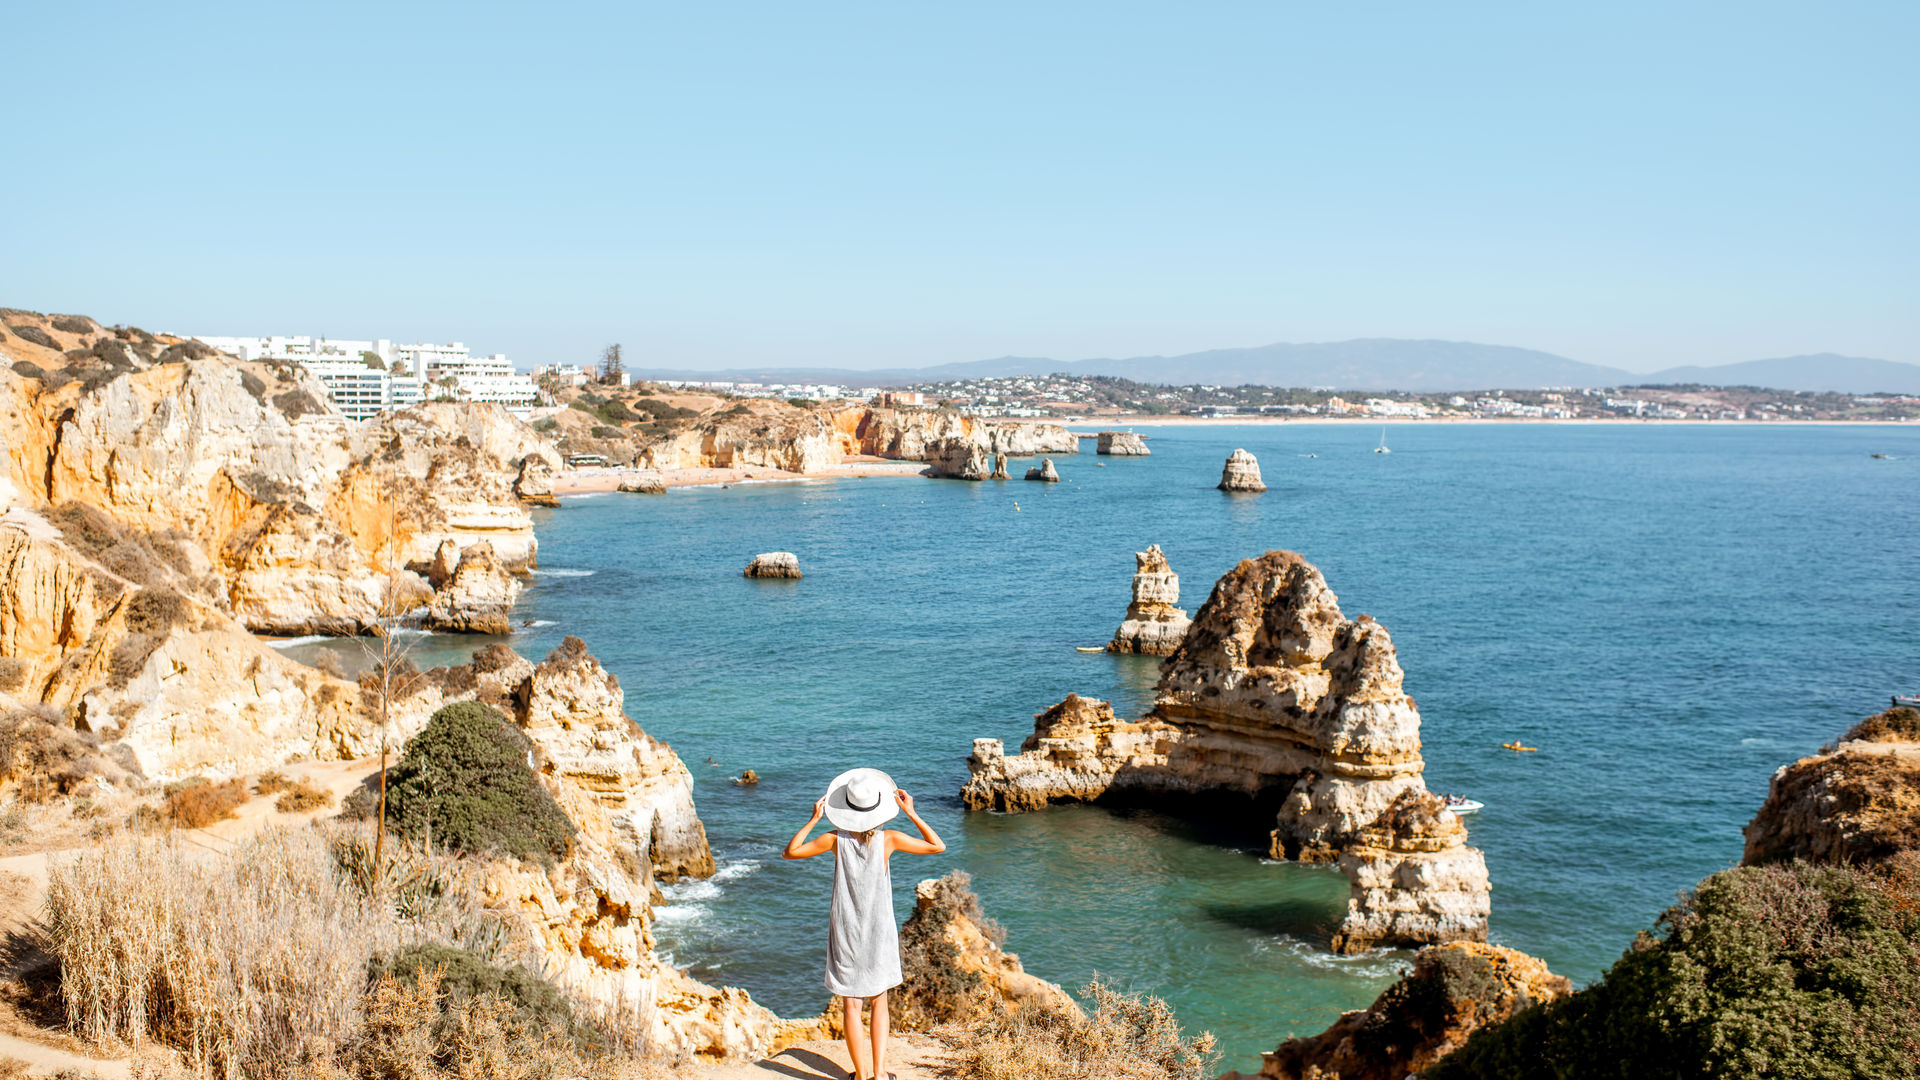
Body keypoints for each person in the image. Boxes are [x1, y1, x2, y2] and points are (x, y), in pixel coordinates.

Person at [784, 768, 945, 1080]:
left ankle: (860, 1075)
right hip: (879, 931)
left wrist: (814, 819)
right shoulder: (890, 840)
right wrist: (911, 812)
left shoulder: (834, 840)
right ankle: (880, 1074)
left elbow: (790, 852)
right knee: (879, 1001)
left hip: (845, 930)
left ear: (845, 808)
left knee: (851, 1005)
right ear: (879, 807)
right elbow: (937, 846)